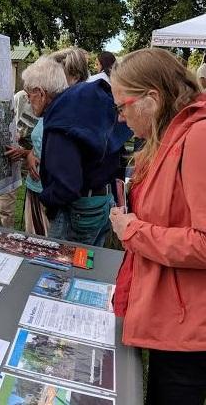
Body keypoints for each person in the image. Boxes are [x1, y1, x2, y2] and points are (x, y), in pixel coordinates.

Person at [109, 48, 206, 405]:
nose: (120, 117)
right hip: (173, 313)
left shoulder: (197, 138)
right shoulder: (170, 137)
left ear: (152, 98)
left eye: (123, 106)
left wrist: (134, 231)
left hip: (189, 325)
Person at [23, 55, 131, 246]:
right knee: (88, 263)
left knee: (63, 270)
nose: (27, 99)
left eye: (28, 93)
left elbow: (66, 186)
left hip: (80, 209)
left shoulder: (60, 120)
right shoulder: (81, 101)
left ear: (40, 93)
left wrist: (46, 199)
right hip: (103, 199)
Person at [24, 47, 88, 236]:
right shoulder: (57, 112)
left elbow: (69, 178)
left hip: (57, 202)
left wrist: (49, 201)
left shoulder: (65, 117)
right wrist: (29, 154)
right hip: (45, 193)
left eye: (55, 73)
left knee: (49, 254)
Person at [0, 89, 38, 228]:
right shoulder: (20, 98)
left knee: (36, 207)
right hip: (13, 156)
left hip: (36, 158)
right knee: (4, 207)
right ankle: (2, 241)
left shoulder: (53, 101)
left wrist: (27, 153)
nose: (28, 95)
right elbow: (4, 123)